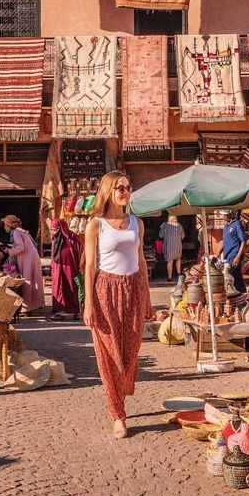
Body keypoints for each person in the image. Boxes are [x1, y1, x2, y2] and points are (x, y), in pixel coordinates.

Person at [83, 170, 153, 440]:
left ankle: (120, 394)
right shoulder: (96, 225)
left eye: (128, 187)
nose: (125, 192)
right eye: (120, 188)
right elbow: (90, 267)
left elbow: (141, 260)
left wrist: (147, 296)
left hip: (133, 288)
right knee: (109, 354)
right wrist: (89, 303)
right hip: (106, 290)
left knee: (130, 351)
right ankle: (118, 415)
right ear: (108, 192)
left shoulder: (137, 222)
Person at [1, 215, 45, 314]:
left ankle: (27, 308)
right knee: (34, 281)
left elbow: (21, 247)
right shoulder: (20, 231)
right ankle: (34, 305)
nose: (4, 227)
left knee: (27, 281)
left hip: (28, 259)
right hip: (31, 257)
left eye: (5, 225)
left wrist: (9, 251)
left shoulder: (16, 232)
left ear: (9, 225)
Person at [50, 218, 83, 320]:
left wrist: (82, 266)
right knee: (58, 290)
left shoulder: (73, 238)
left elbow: (82, 252)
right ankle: (59, 313)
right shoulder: (55, 239)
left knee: (72, 289)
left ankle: (75, 312)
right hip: (57, 270)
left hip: (71, 269)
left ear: (61, 229)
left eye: (55, 229)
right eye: (52, 229)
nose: (53, 232)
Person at [222, 210, 247, 293]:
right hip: (227, 256)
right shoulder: (226, 226)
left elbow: (243, 241)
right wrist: (218, 253)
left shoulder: (237, 224)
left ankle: (229, 297)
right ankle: (243, 295)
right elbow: (224, 241)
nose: (223, 216)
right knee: (237, 278)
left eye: (225, 215)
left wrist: (237, 257)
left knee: (227, 277)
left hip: (234, 255)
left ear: (230, 214)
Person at [159, 214, 185, 282]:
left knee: (170, 261)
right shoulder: (179, 225)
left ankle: (169, 277)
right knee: (178, 259)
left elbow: (160, 235)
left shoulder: (165, 225)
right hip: (177, 245)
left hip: (168, 246)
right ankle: (179, 274)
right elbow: (183, 236)